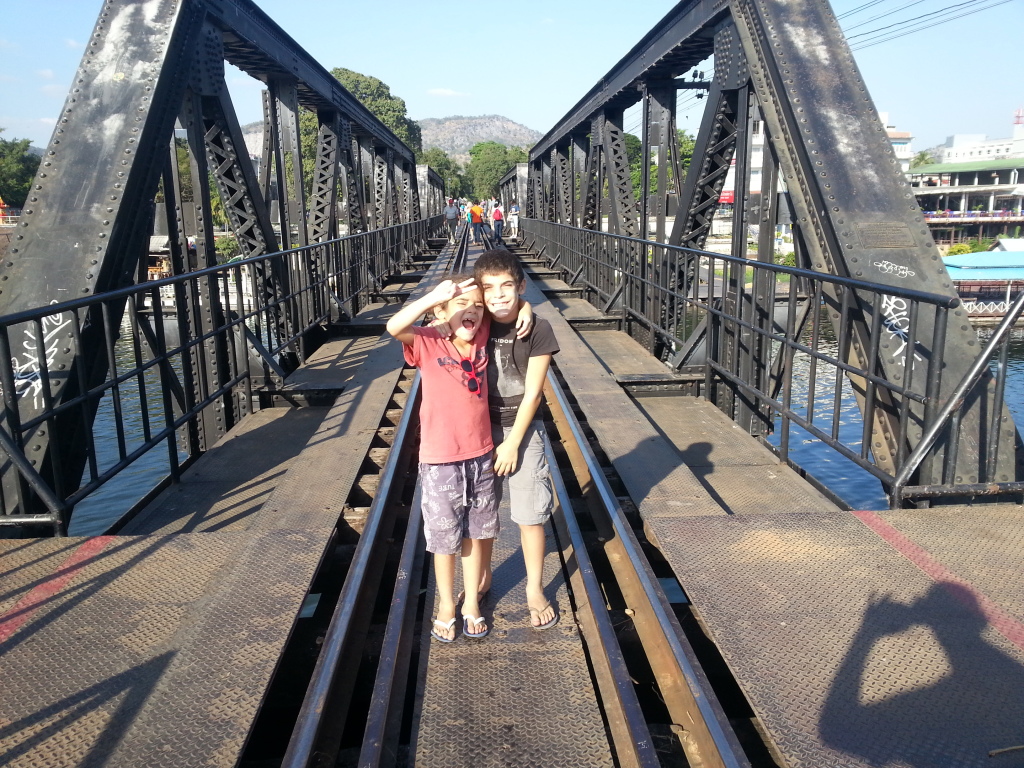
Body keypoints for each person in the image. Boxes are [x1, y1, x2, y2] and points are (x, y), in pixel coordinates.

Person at [386, 275, 497, 642]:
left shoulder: (480, 334)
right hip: (440, 458)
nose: (473, 313)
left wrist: (525, 306)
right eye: (463, 306)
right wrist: (432, 296)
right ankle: (447, 603)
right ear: (442, 312)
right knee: (443, 537)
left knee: (475, 533)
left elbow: (506, 309)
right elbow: (393, 326)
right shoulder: (427, 341)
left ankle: (470, 604)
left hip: (480, 454)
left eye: (477, 307)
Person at [474, 249, 560, 630]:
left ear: (521, 286)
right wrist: (520, 302)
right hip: (479, 430)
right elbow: (446, 305)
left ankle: (534, 589)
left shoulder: (538, 329)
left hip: (522, 432)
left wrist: (512, 444)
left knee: (530, 516)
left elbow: (534, 394)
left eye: (508, 287)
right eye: (488, 289)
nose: (499, 295)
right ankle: (483, 577)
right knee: (481, 516)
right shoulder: (475, 321)